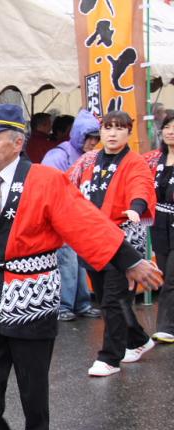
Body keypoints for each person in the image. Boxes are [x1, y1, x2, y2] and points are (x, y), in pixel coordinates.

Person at [0, 104, 161, 430]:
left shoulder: (45, 181)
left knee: (31, 378)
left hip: (31, 288)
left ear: (18, 142)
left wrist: (130, 259)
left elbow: (84, 223)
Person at [68, 111, 157, 377]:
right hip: (92, 238)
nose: (113, 133)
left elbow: (141, 187)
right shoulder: (88, 160)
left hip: (122, 239)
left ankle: (109, 358)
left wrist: (136, 207)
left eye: (119, 128)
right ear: (101, 131)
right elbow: (65, 184)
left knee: (113, 299)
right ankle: (139, 340)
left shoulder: (134, 162)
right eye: (108, 128)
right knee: (110, 298)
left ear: (128, 132)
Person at [42, 110, 102, 322]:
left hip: (80, 219)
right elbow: (48, 188)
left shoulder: (89, 156)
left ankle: (82, 304)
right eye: (89, 137)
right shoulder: (58, 155)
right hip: (60, 218)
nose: (93, 142)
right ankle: (63, 306)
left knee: (79, 263)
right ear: (78, 135)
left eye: (96, 137)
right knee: (66, 262)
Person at [145, 111, 174, 343]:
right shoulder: (154, 160)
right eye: (166, 126)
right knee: (164, 273)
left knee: (171, 278)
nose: (170, 131)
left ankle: (166, 327)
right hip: (160, 224)